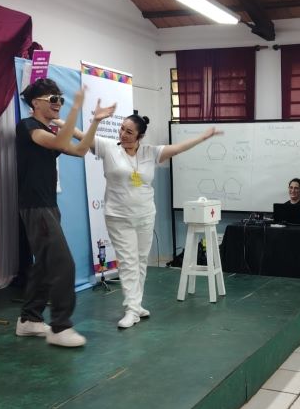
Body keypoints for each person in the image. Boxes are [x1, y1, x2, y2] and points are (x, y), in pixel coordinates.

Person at [91, 114, 222, 329]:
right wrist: (58, 121)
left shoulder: (149, 152)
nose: (123, 134)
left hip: (145, 215)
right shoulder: (108, 147)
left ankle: (136, 304)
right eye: (122, 129)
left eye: (129, 132)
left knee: (141, 260)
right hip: (118, 216)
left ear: (140, 136)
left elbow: (178, 148)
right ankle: (131, 309)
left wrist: (203, 137)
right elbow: (81, 137)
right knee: (128, 261)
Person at [15, 81, 116, 347]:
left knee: (44, 265)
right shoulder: (28, 126)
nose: (59, 103)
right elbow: (60, 142)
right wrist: (75, 109)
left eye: (61, 99)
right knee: (63, 265)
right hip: (36, 206)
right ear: (36, 103)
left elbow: (80, 150)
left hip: (47, 205)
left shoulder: (47, 130)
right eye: (53, 99)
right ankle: (60, 327)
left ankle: (29, 320)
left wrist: (94, 121)